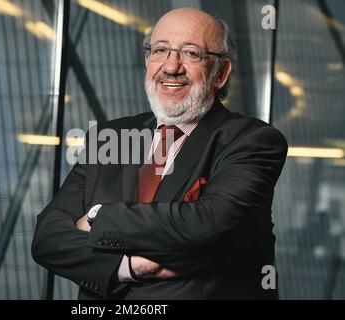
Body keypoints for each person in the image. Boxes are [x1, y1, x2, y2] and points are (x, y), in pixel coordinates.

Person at [31, 7, 288, 300]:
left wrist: (96, 217)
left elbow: (207, 224)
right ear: (147, 60)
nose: (171, 66)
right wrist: (129, 267)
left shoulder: (253, 141)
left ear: (221, 74)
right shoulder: (109, 138)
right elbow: (47, 239)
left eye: (191, 54)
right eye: (160, 50)